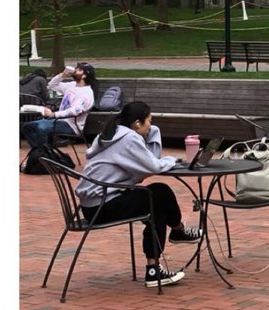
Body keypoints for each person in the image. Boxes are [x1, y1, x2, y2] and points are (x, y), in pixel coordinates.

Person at [76, 101, 203, 288]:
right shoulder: (128, 139)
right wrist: (172, 160)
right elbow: (152, 165)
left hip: (91, 205)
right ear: (137, 123)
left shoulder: (112, 134)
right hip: (102, 206)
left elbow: (146, 164)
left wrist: (153, 132)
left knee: (157, 195)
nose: (150, 125)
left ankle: (161, 258)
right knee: (157, 197)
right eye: (149, 122)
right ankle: (175, 235)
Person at [21, 62, 98, 151]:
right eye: (76, 68)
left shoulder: (86, 93)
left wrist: (53, 114)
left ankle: (43, 154)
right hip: (58, 120)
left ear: (84, 76)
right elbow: (50, 86)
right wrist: (62, 75)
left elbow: (75, 111)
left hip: (71, 125)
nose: (75, 70)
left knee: (41, 127)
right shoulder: (71, 85)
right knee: (26, 127)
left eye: (79, 70)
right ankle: (41, 152)